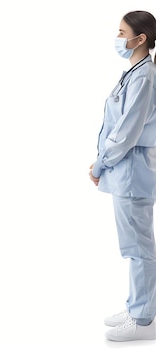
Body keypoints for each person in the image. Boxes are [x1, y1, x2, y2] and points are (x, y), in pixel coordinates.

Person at [89, 10, 156, 342]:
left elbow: (126, 132)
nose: (118, 38)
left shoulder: (144, 77)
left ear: (140, 38)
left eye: (121, 32)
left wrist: (101, 163)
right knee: (133, 245)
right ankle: (136, 307)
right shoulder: (134, 72)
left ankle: (144, 320)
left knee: (139, 247)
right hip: (126, 171)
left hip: (132, 171)